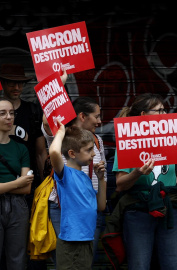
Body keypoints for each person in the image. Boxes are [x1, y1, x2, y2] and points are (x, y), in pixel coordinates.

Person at [112, 93, 177, 270]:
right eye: (159, 110)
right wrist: (137, 173)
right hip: (138, 211)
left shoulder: (171, 135)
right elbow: (120, 184)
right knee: (139, 265)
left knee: (173, 264)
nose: (165, 115)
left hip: (169, 209)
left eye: (165, 110)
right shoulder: (128, 139)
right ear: (144, 115)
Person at [42, 95, 107, 267]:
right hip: (71, 241)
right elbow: (55, 153)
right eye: (88, 151)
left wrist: (101, 180)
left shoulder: (86, 179)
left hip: (86, 239)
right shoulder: (66, 175)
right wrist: (61, 132)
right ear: (72, 154)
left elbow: (101, 206)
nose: (93, 155)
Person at [0, 63, 47, 270]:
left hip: (24, 191)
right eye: (12, 82)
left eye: (20, 82)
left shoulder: (32, 111)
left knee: (19, 254)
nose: (16, 86)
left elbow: (39, 151)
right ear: (3, 84)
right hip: (11, 184)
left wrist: (43, 184)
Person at [0, 98, 34, 270]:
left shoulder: (21, 149)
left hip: (18, 206)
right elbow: (22, 182)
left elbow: (26, 187)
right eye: (3, 113)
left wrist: (10, 185)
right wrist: (18, 182)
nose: (9, 117)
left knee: (18, 260)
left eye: (11, 113)